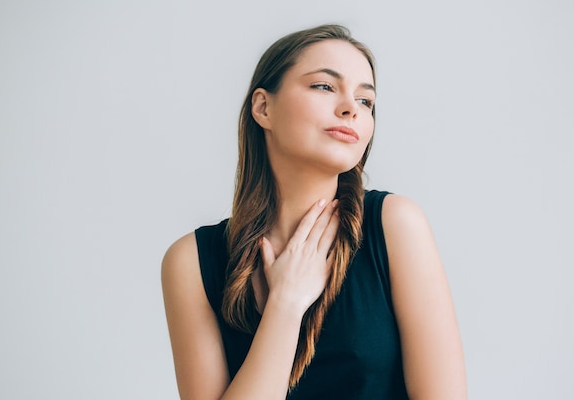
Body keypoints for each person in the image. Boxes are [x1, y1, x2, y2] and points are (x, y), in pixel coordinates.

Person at [161, 24, 467, 400]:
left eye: (366, 101)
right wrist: (286, 304)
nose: (350, 109)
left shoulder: (395, 225)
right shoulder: (190, 261)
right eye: (324, 86)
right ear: (263, 107)